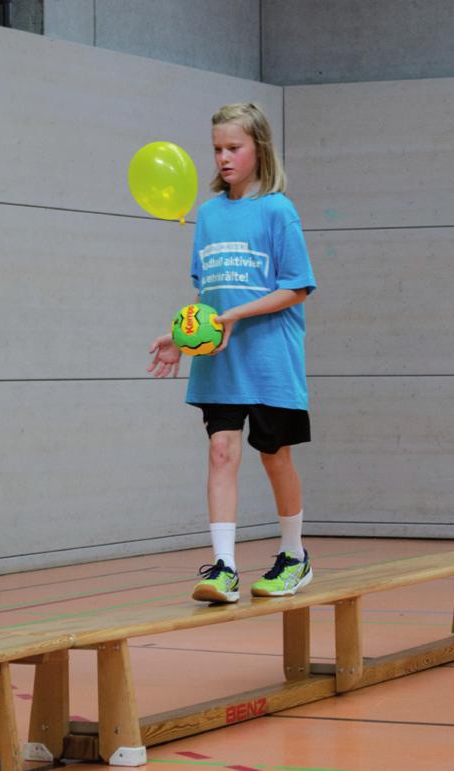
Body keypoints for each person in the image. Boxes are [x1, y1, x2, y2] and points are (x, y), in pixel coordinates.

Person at [148, 102, 316, 603]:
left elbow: (298, 287)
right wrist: (181, 337)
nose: (223, 157)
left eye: (233, 148)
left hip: (269, 358)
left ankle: (294, 555)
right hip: (218, 359)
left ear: (258, 149)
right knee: (221, 451)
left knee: (275, 456)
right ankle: (223, 567)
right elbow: (209, 293)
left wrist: (234, 318)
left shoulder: (278, 210)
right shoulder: (209, 214)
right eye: (217, 148)